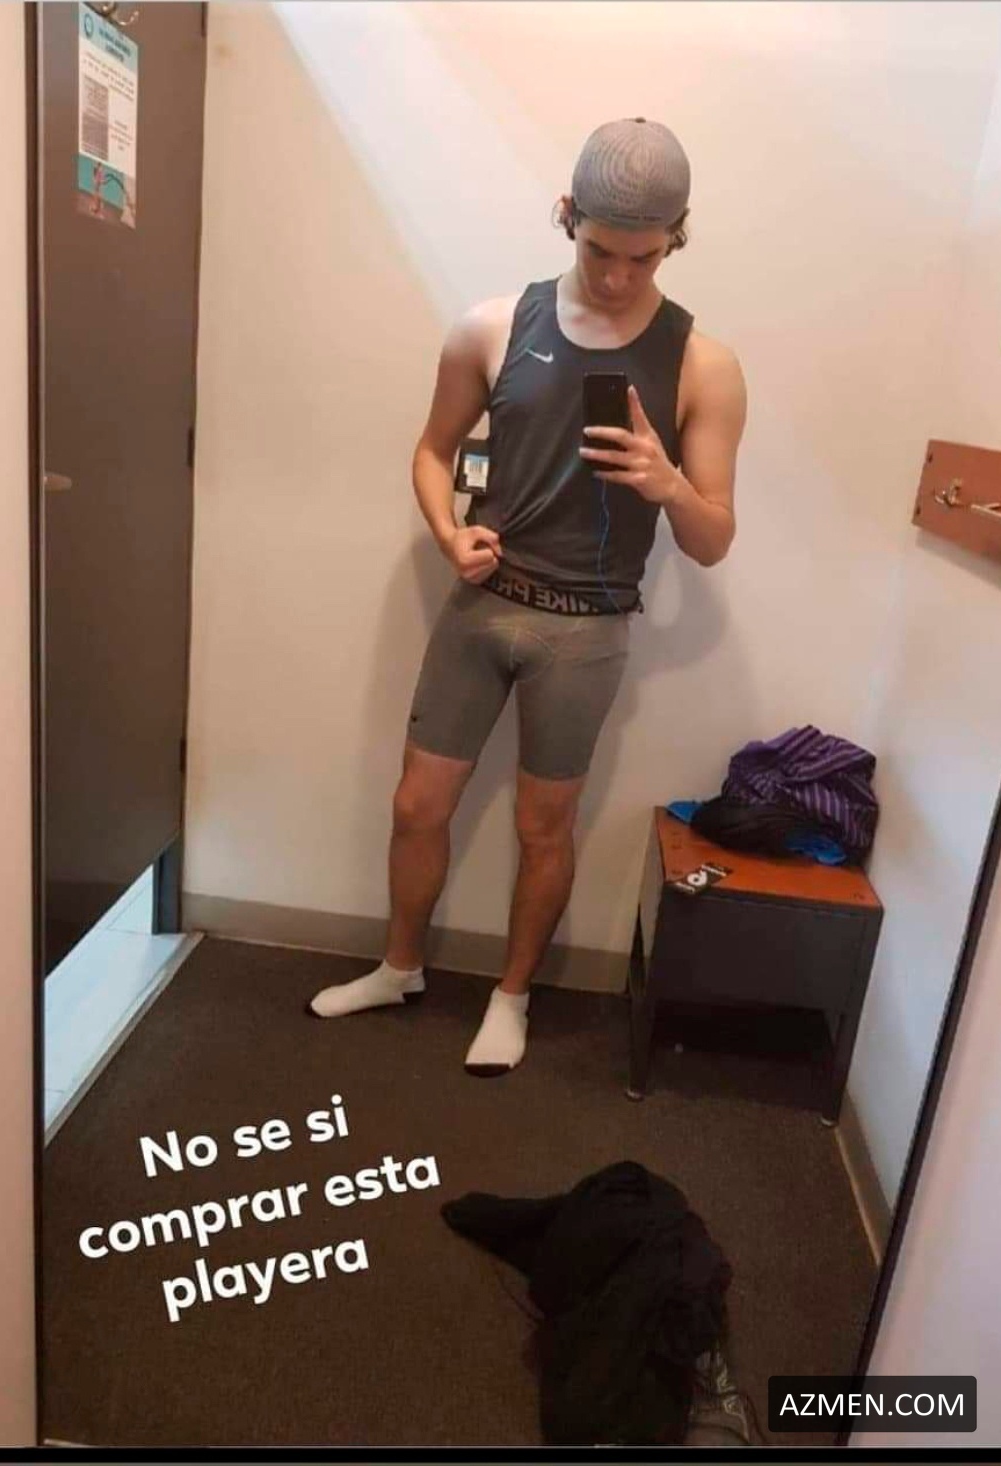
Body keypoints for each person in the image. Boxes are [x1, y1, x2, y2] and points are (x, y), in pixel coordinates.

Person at [308, 118, 748, 1076]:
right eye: (599, 251)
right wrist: (447, 533)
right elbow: (432, 451)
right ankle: (399, 968)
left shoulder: (704, 366)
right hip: (482, 604)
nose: (619, 277)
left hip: (586, 632)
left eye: (644, 257)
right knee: (417, 804)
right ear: (565, 216)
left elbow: (712, 540)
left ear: (676, 238)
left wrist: (668, 484)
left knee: (543, 827)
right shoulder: (493, 326)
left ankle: (511, 997)